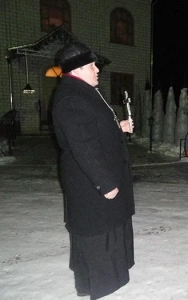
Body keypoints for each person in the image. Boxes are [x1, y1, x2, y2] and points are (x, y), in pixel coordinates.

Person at [52, 41, 135, 299]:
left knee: (109, 227)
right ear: (76, 70)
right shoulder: (71, 99)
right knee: (98, 232)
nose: (97, 69)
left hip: (101, 181)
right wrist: (105, 183)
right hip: (91, 186)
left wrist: (117, 127)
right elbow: (83, 147)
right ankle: (101, 284)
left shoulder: (83, 91)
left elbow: (93, 128)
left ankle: (114, 277)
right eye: (91, 65)